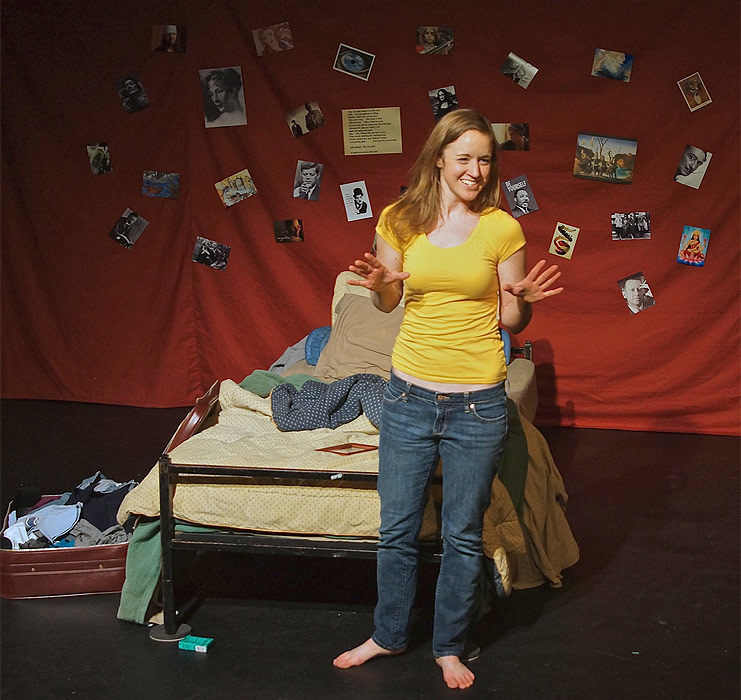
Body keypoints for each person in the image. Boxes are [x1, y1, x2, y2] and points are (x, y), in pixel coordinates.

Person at [332, 109, 563, 689]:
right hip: (408, 397)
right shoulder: (398, 220)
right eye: (463, 158)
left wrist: (524, 301)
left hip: (478, 405)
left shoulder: (502, 228)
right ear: (438, 158)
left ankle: (450, 646)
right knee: (397, 529)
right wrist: (381, 288)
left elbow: (511, 318)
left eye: (484, 160)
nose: (475, 171)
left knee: (462, 533)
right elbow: (388, 301)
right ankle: (387, 634)